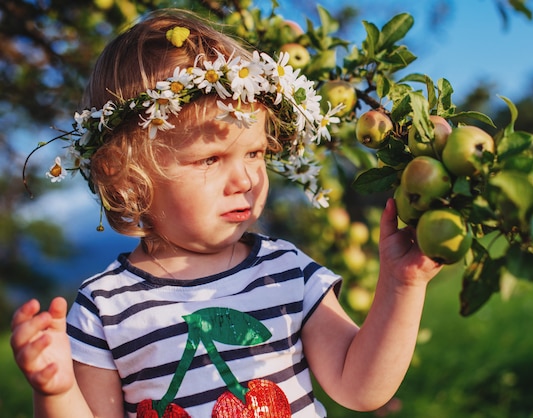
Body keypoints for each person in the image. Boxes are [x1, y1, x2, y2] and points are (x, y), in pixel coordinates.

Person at [10, 8, 441, 418]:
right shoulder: (105, 308)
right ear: (127, 176)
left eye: (254, 153)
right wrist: (57, 390)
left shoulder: (287, 272)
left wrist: (403, 285)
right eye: (210, 159)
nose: (246, 180)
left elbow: (360, 387)